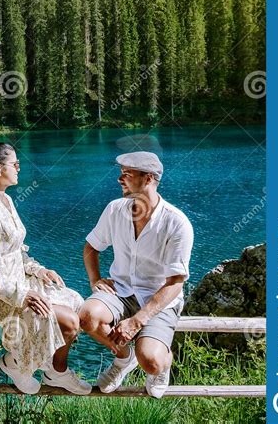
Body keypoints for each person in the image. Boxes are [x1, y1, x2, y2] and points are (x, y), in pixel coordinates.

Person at [0, 141, 91, 395]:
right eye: (15, 164)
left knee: (77, 302)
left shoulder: (6, 200)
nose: (19, 168)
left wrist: (39, 270)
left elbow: (15, 251)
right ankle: (17, 363)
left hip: (20, 283)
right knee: (67, 321)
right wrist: (24, 296)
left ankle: (52, 371)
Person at [79, 151, 194, 398]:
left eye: (127, 174)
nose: (120, 180)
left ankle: (162, 364)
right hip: (120, 290)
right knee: (88, 316)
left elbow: (175, 283)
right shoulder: (114, 210)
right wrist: (95, 280)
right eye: (121, 174)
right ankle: (123, 359)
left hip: (159, 300)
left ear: (149, 178)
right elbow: (91, 247)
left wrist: (136, 321)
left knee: (151, 360)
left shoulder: (177, 223)